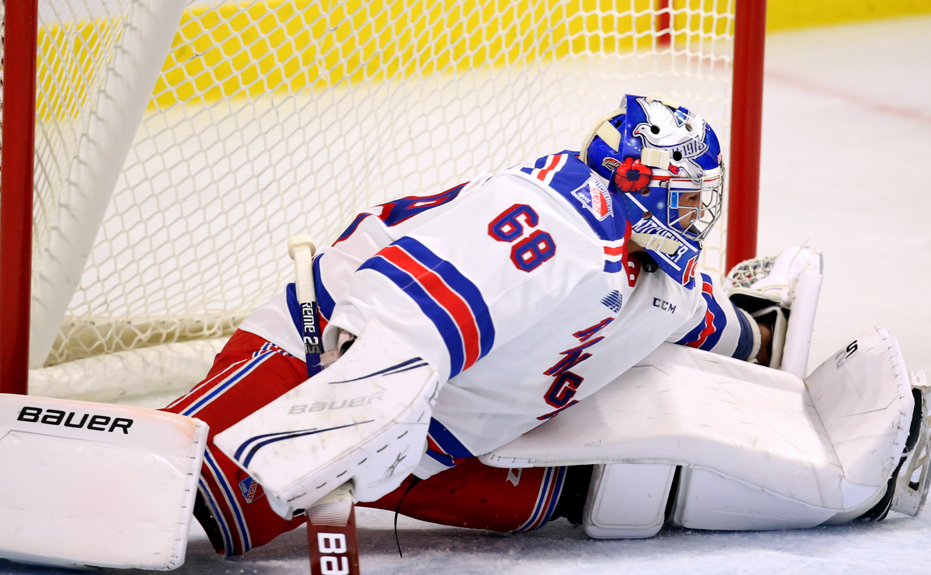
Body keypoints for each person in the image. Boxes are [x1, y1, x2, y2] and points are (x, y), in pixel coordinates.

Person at [161, 94, 778, 555]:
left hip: (428, 438)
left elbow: (705, 318)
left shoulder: (660, 275)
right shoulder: (557, 214)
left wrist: (763, 334)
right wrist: (362, 400)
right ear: (642, 182)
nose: (698, 214)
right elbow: (416, 301)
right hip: (322, 371)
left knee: (598, 493)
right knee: (174, 482)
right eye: (689, 197)